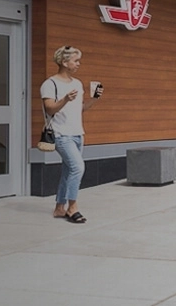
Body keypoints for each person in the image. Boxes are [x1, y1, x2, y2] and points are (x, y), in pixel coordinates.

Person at [41, 45, 103, 223]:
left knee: (68, 171)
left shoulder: (77, 84)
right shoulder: (50, 84)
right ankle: (72, 207)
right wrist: (65, 99)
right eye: (75, 60)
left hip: (77, 134)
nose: (78, 64)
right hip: (61, 135)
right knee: (78, 167)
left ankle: (59, 208)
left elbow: (80, 109)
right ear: (64, 62)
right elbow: (50, 108)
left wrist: (95, 99)